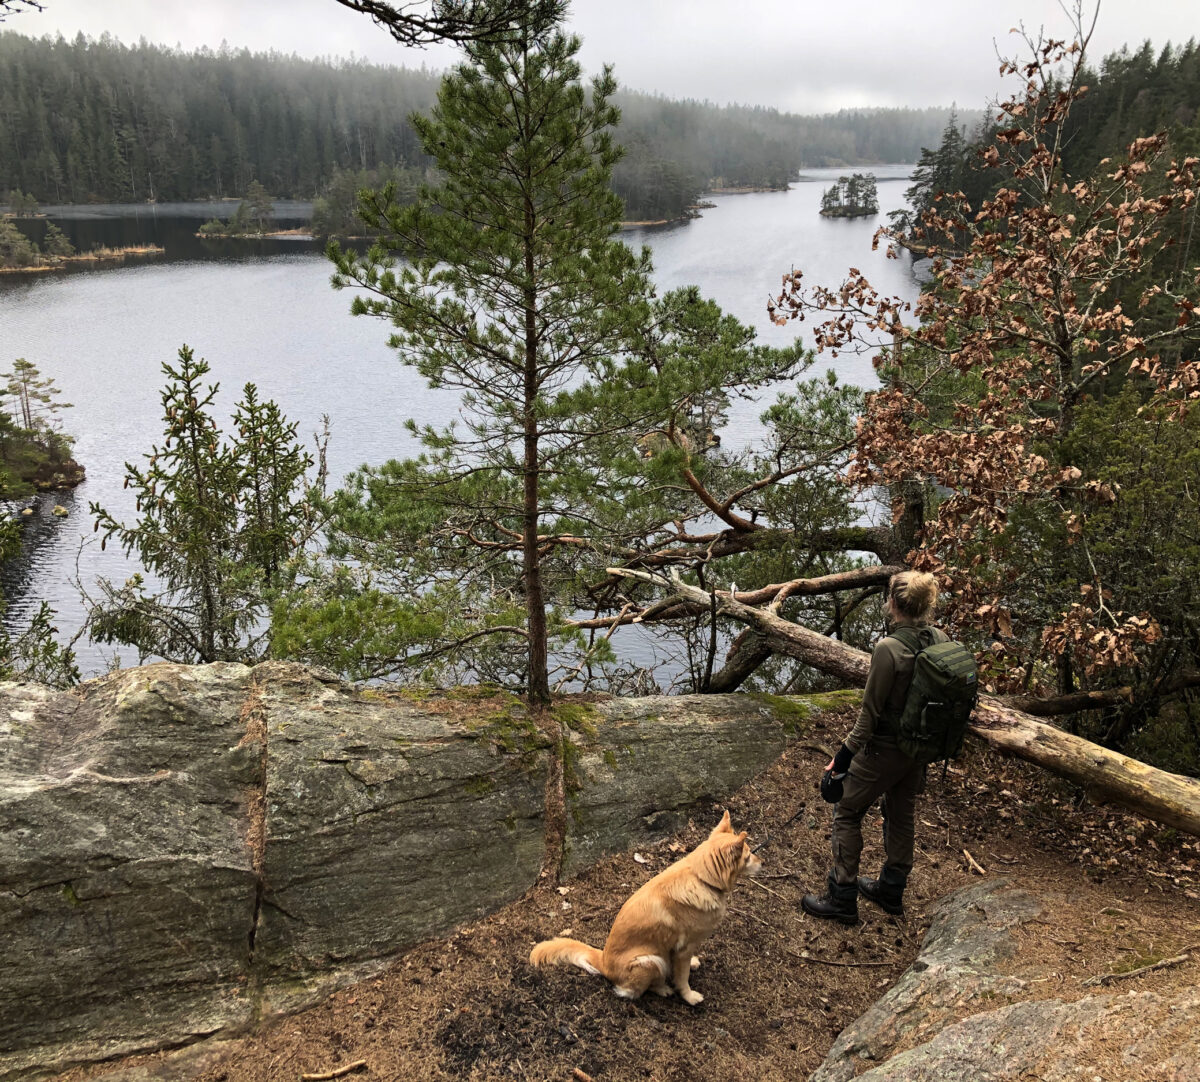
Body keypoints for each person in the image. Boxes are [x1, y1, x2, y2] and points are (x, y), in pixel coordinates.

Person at [801, 570, 946, 924]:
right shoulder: (939, 637)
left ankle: (842, 895)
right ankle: (891, 890)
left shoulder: (888, 649)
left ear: (894, 603)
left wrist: (842, 758)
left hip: (883, 751)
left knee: (847, 810)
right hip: (918, 751)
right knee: (901, 812)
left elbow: (869, 717)